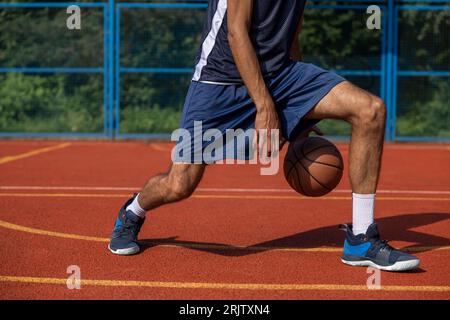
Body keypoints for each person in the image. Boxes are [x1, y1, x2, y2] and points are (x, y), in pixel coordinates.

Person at [109, 0, 420, 271]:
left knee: (370, 110)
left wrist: (303, 113)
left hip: (282, 72)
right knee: (180, 184)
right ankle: (133, 212)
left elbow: (292, 35)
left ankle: (361, 239)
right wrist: (264, 106)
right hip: (219, 81)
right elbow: (236, 32)